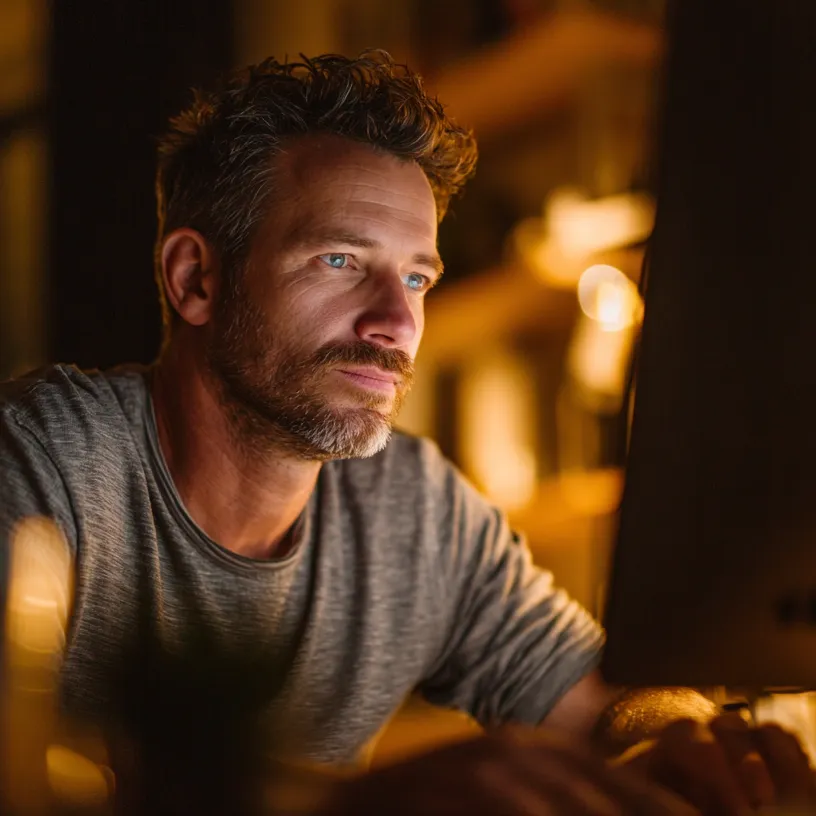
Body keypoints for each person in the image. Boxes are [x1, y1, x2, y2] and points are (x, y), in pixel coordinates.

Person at [0, 52, 812, 814]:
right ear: (195, 278)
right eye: (340, 261)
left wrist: (682, 737)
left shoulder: (417, 510)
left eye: (417, 277)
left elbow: (604, 701)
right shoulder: (40, 469)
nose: (396, 322)